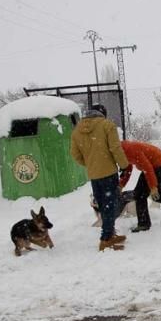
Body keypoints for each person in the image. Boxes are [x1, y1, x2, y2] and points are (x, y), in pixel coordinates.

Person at [70, 105, 131, 251]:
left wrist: (90, 164)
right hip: (108, 172)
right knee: (110, 206)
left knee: (103, 206)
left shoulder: (77, 130)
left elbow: (75, 154)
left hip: (94, 175)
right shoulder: (107, 125)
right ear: (102, 114)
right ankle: (105, 240)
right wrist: (124, 165)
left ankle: (110, 234)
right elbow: (115, 148)